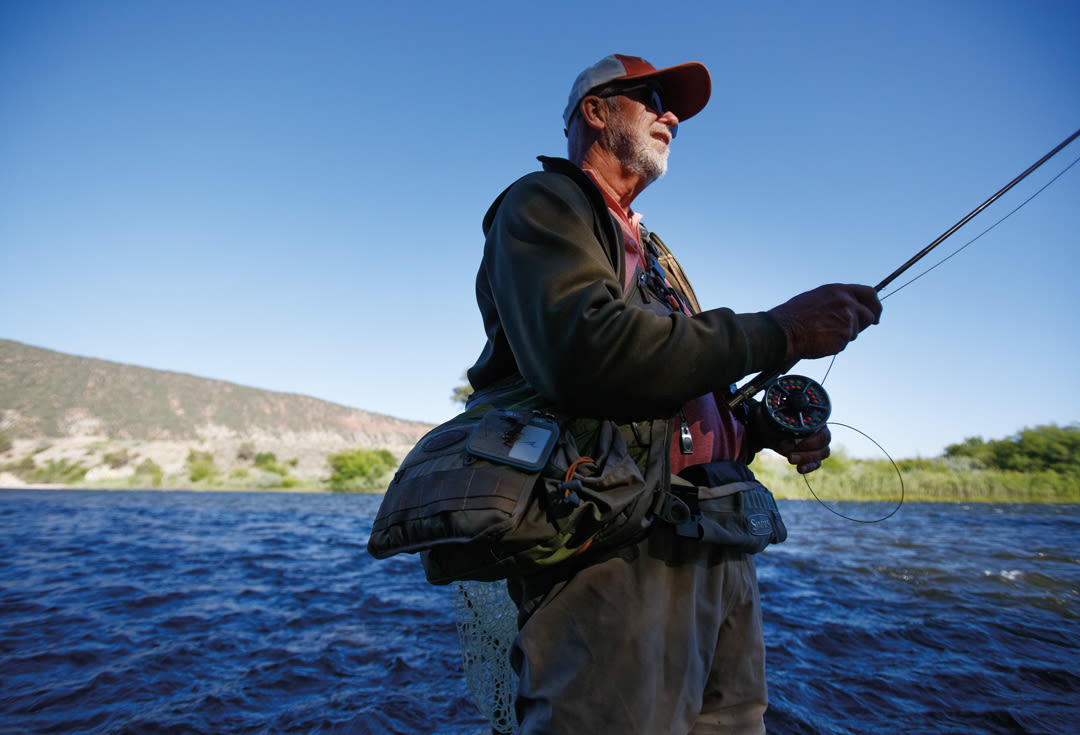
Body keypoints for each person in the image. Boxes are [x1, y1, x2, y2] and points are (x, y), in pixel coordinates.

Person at [465, 54, 882, 735]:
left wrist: (760, 428)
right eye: (655, 98)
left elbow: (676, 396)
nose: (672, 117)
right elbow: (586, 355)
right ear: (595, 111)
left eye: (676, 110)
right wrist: (782, 332)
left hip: (715, 540)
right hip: (618, 551)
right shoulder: (542, 204)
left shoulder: (654, 250)